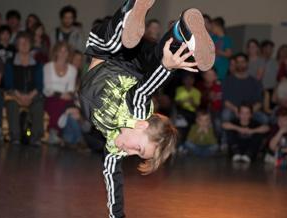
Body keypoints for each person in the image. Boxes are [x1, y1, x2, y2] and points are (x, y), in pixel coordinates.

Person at [79, 0, 215, 217]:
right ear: (141, 125)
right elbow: (145, 89)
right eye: (138, 149)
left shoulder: (114, 149)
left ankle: (182, 33)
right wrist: (166, 69)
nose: (128, 152)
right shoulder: (136, 112)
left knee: (146, 51)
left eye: (135, 154)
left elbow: (114, 184)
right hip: (117, 55)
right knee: (130, 49)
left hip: (121, 58)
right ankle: (132, 8)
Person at [4, 32, 44, 146]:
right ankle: (15, 136)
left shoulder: (37, 64)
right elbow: (8, 84)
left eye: (26, 42)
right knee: (11, 103)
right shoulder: (10, 63)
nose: (24, 44)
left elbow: (40, 85)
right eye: (21, 42)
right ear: (16, 45)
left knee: (38, 103)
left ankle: (36, 138)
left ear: (31, 44)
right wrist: (20, 96)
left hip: (33, 94)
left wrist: (29, 96)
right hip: (15, 94)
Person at [43, 41, 77, 144]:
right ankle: (55, 132)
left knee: (69, 106)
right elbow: (47, 88)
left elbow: (71, 89)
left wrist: (68, 95)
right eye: (60, 51)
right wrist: (61, 95)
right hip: (51, 97)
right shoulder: (48, 66)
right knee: (59, 104)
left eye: (65, 51)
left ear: (68, 54)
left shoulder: (73, 69)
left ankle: (61, 135)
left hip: (66, 98)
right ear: (56, 52)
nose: (63, 54)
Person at [222, 53, 267, 124]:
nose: (240, 64)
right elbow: (225, 101)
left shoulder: (255, 82)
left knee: (264, 119)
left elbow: (259, 103)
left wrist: (248, 113)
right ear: (235, 64)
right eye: (238, 62)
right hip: (233, 110)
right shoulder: (227, 80)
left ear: (247, 63)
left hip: (251, 111)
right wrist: (235, 110)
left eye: (242, 62)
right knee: (225, 115)